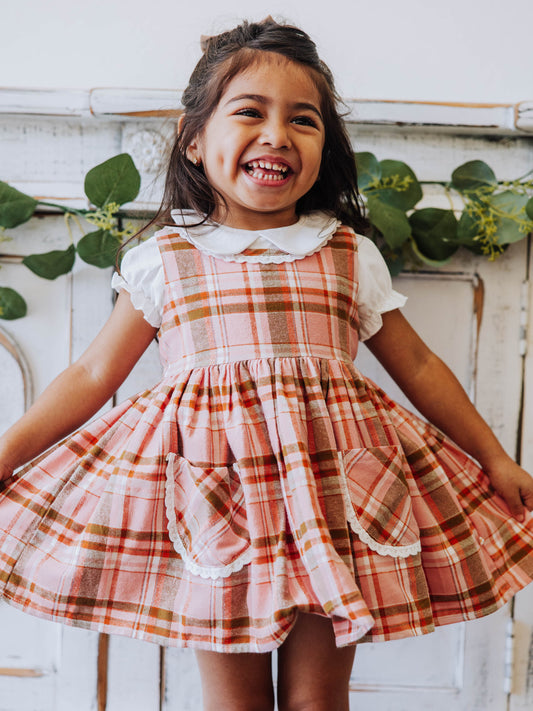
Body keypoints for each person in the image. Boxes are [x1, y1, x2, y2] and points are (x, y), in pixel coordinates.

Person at [1, 17, 533, 711]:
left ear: (323, 147)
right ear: (194, 140)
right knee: (236, 704)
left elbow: (421, 368)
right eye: (249, 111)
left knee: (316, 700)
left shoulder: (346, 254)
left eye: (303, 120)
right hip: (215, 498)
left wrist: (493, 455)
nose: (277, 134)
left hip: (334, 497)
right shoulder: (165, 259)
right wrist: (6, 452)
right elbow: (92, 375)